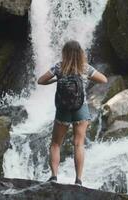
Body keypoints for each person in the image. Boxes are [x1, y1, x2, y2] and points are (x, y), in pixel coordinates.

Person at [37, 40, 107, 186]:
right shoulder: (84, 68)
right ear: (80, 53)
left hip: (63, 109)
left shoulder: (58, 67)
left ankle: (54, 177)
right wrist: (87, 78)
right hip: (80, 108)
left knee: (56, 144)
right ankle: (78, 180)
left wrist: (56, 80)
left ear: (64, 53)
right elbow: (104, 80)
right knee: (78, 144)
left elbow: (40, 81)